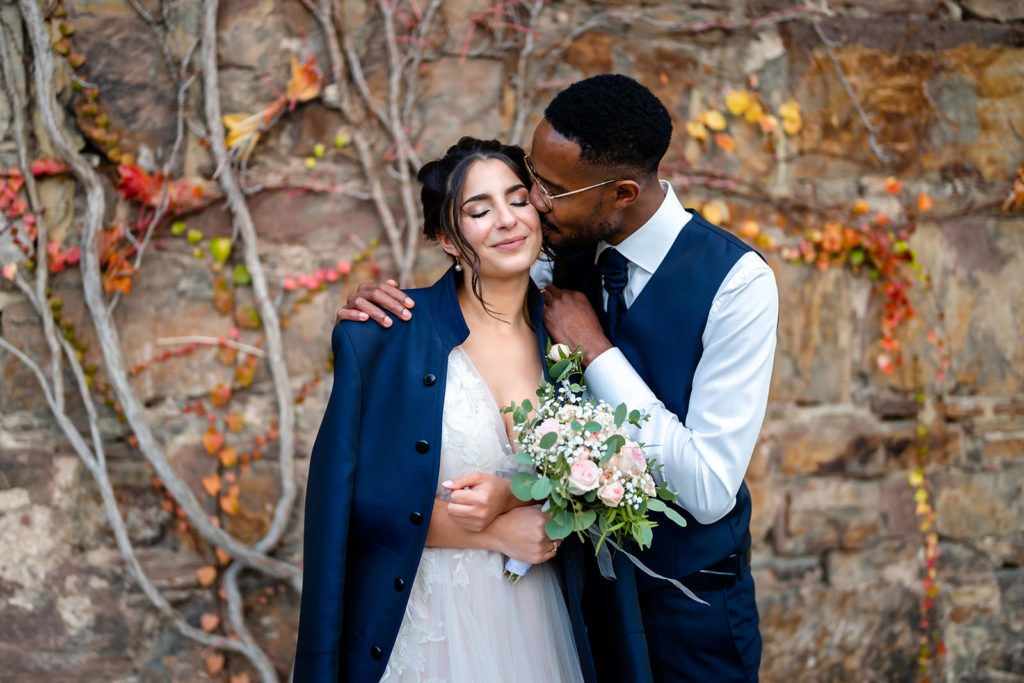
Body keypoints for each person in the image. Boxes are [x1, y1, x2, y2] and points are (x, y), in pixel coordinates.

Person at [338, 74, 778, 682]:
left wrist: (596, 351)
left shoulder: (738, 285)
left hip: (688, 609)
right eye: (531, 180)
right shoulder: (556, 253)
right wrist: (378, 310)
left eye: (550, 189)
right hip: (571, 604)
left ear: (621, 191)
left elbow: (706, 489)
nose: (534, 204)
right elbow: (472, 295)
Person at [294, 137, 587, 683]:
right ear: (446, 238)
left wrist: (547, 513)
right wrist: (494, 531)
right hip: (426, 621)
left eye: (518, 199)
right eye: (479, 210)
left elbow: (602, 478)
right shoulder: (385, 335)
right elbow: (349, 504)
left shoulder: (570, 335)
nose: (507, 220)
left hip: (539, 617)